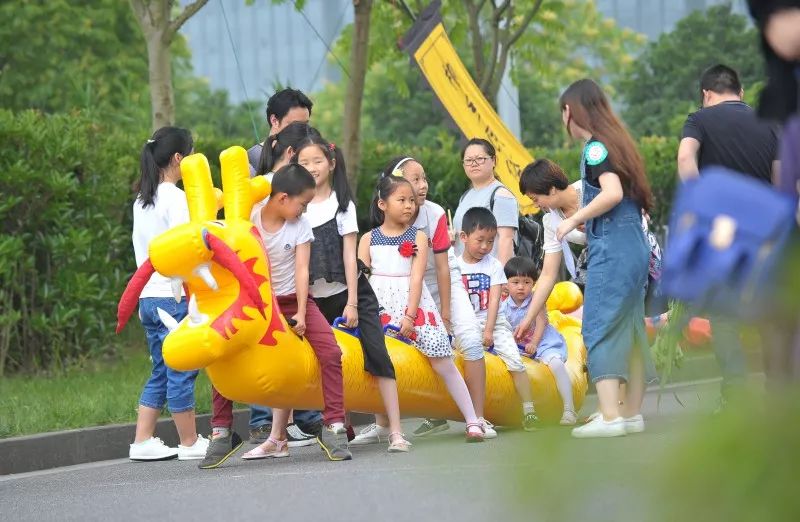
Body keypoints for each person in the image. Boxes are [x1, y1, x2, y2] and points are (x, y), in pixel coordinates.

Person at [294, 135, 410, 452]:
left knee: (378, 356)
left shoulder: (342, 205)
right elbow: (299, 264)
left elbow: (350, 257)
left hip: (351, 293)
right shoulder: (296, 208)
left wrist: (353, 303)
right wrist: (301, 308)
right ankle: (287, 435)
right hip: (314, 298)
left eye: (317, 161)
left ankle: (396, 431)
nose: (311, 168)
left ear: (331, 164)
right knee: (317, 361)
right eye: (304, 163)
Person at [677, 64, 780, 411]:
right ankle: (778, 392)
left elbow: (685, 156)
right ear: (742, 92)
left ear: (706, 93)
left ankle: (736, 395)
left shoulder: (699, 120)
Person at [556, 78, 655, 438]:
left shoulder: (595, 148)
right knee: (629, 328)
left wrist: (573, 219)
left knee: (598, 325)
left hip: (612, 251)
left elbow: (610, 193)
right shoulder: (619, 141)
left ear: (570, 111)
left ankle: (610, 416)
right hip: (631, 247)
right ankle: (629, 413)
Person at [358, 175, 484, 442]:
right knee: (378, 361)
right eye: (401, 200)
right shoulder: (368, 239)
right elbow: (362, 277)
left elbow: (416, 277)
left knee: (442, 359)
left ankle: (473, 419)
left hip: (412, 303)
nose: (408, 206)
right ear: (382, 204)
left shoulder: (419, 236)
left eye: (412, 201)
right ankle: (382, 425)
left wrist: (409, 315)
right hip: (378, 303)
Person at [240, 164, 352, 461]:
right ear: (282, 198)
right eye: (302, 204)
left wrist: (302, 314)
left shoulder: (299, 224)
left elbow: (303, 270)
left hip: (294, 301)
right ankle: (221, 431)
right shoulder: (250, 216)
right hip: (260, 304)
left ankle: (335, 423)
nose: (304, 211)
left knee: (330, 352)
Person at [128, 127, 209, 461]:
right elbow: (186, 245)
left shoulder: (141, 199)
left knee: (161, 368)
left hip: (147, 296)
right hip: (171, 296)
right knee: (181, 367)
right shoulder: (175, 198)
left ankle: (142, 441)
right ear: (180, 158)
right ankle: (189, 442)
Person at [456, 208, 539, 431]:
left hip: (492, 321)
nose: (485, 246)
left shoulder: (493, 266)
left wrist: (489, 331)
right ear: (463, 237)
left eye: (490, 241)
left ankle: (529, 409)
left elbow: (494, 301)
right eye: (480, 240)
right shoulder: (455, 266)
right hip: (464, 322)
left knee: (514, 360)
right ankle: (444, 415)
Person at [515, 158, 587, 344]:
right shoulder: (551, 220)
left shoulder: (591, 192)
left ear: (552, 189)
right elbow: (547, 274)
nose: (536, 205)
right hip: (598, 265)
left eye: (535, 199)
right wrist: (528, 318)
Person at [501, 256, 577, 425]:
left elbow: (542, 322)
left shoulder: (536, 300)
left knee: (556, 364)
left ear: (534, 283)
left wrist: (534, 343)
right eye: (516, 282)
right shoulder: (504, 307)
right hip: (520, 347)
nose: (521, 287)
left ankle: (569, 408)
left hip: (542, 342)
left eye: (527, 282)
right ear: (506, 284)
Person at [452, 138, 518, 265]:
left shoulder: (501, 195)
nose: (474, 163)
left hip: (489, 275)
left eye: (480, 159)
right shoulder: (465, 196)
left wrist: (500, 279)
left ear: (493, 161)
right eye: (469, 160)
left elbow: (506, 239)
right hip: (464, 274)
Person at [247, 88, 313, 174]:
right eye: (295, 124)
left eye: (305, 124)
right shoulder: (251, 158)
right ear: (274, 121)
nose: (302, 129)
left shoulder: (312, 155)